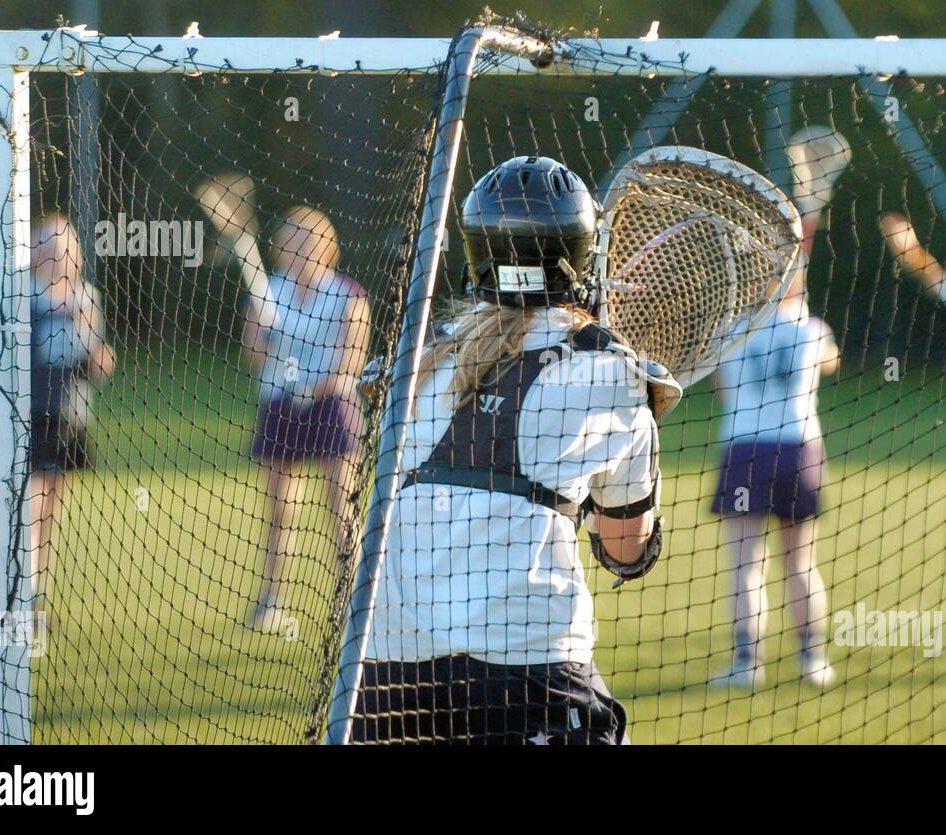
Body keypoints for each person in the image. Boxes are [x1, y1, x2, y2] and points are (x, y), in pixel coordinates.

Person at [354, 155, 679, 745]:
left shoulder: (419, 365)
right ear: (580, 252)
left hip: (385, 677)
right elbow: (625, 550)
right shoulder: (612, 371)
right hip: (527, 669)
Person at [709, 249, 840, 689]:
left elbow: (724, 390)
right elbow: (831, 360)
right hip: (798, 450)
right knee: (800, 562)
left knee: (746, 564)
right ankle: (813, 660)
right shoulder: (814, 329)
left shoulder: (731, 330)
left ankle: (748, 663)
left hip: (746, 450)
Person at [244, 206, 372, 632]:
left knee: (342, 505)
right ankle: (272, 599)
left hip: (331, 406)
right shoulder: (266, 292)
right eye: (293, 239)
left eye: (309, 239)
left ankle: (355, 596)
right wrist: (265, 335)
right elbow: (254, 356)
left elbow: (353, 359)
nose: (301, 247)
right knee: (281, 507)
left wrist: (314, 386)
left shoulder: (347, 294)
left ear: (326, 246)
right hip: (281, 404)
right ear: (280, 248)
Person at [27, 215, 116, 608]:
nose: (57, 256)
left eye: (65, 248)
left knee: (51, 508)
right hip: (33, 415)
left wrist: (102, 358)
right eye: (49, 246)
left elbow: (93, 362)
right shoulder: (22, 296)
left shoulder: (87, 298)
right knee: (32, 503)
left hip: (71, 418)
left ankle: (38, 589)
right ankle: (24, 590)